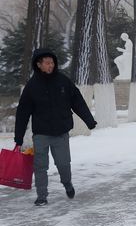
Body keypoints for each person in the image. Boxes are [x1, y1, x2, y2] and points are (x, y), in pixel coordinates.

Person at [14, 48, 97, 206]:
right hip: (41, 133)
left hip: (60, 132)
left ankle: (67, 183)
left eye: (52, 62)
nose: (50, 65)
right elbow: (23, 112)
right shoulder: (32, 86)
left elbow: (77, 101)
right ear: (39, 65)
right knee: (40, 166)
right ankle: (42, 196)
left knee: (63, 163)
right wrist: (18, 137)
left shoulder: (62, 81)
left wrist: (89, 120)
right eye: (47, 63)